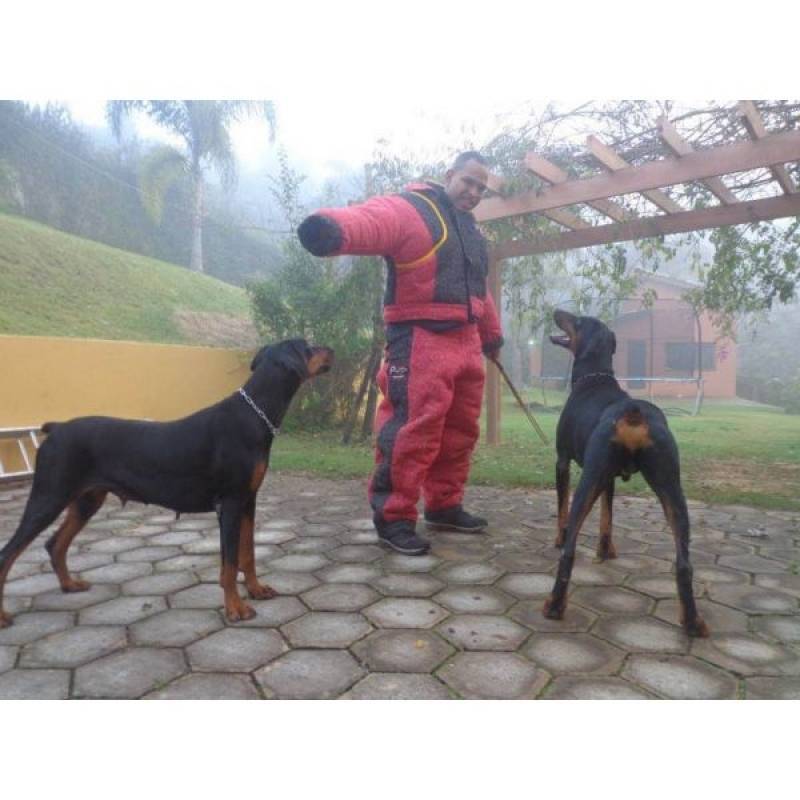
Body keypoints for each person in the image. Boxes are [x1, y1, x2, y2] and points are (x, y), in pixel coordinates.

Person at [297, 151, 503, 555]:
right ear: (450, 175)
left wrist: (491, 335)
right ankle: (393, 517)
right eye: (468, 182)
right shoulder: (415, 209)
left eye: (481, 187)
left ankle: (444, 505)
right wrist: (331, 230)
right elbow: (374, 220)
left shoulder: (473, 233)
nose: (474, 192)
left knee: (460, 432)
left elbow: (480, 289)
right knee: (412, 430)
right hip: (419, 338)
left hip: (466, 342)